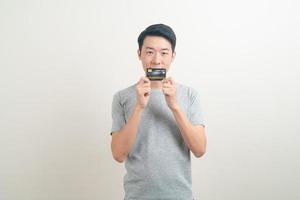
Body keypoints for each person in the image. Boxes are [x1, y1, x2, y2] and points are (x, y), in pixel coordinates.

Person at [110, 24, 207, 200]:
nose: (156, 60)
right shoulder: (122, 97)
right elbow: (118, 154)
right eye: (149, 52)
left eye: (164, 53)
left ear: (173, 56)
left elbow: (200, 149)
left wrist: (175, 106)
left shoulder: (190, 95)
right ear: (139, 54)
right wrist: (139, 107)